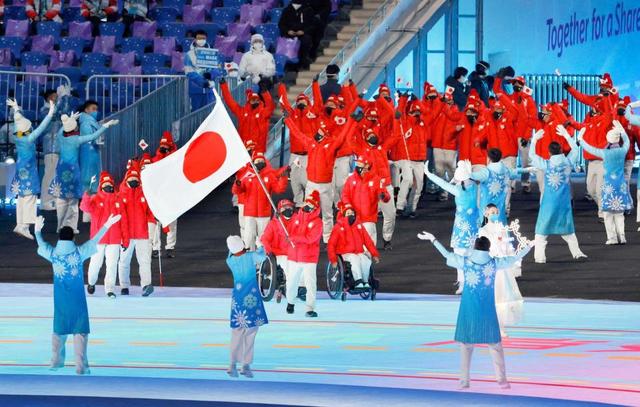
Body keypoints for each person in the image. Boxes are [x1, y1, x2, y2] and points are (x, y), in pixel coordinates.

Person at [417, 231, 533, 389]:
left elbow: (446, 254)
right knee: (495, 345)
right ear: (488, 249)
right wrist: (528, 247)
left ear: (475, 247)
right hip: (487, 310)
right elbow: (514, 259)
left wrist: (433, 239)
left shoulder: (465, 261)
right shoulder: (494, 263)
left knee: (466, 346)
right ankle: (502, 381)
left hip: (468, 309)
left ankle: (464, 381)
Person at [35, 213, 122, 375]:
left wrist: (37, 231)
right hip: (78, 301)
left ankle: (55, 363)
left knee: (59, 330)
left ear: (60, 238)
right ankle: (81, 367)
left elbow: (42, 245)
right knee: (80, 331)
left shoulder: (54, 255)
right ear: (73, 239)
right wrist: (107, 225)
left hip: (60, 300)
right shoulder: (79, 253)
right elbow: (95, 240)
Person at [50, 113, 118, 233]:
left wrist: (68, 121)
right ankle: (71, 226)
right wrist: (105, 126)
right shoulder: (76, 139)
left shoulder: (61, 138)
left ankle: (59, 226)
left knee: (61, 200)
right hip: (73, 171)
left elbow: (61, 131)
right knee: (73, 201)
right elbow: (93, 136)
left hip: (61, 170)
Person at [530, 127, 587, 263]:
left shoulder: (546, 164)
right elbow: (575, 149)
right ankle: (577, 253)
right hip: (563, 202)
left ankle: (540, 258)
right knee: (567, 229)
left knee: (541, 231)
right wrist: (567, 135)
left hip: (548, 203)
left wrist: (534, 140)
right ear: (561, 150)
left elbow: (532, 155)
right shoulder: (568, 162)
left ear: (549, 152)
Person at [285, 118, 346, 243]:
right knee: (307, 212)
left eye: (322, 132)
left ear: (326, 134)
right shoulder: (310, 143)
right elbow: (297, 133)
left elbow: (343, 136)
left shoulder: (332, 145)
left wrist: (352, 122)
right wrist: (287, 120)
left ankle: (327, 239)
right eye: (319, 131)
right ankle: (306, 234)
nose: (319, 133)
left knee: (327, 213)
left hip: (325, 186)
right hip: (311, 184)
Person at [424, 160, 479, 294]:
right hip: (475, 226)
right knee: (473, 256)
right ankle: (474, 281)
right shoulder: (476, 187)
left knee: (459, 257)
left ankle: (462, 283)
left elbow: (442, 183)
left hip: (461, 228)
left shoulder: (458, 190)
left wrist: (428, 174)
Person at [577, 121, 632, 244]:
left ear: (608, 139)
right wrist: (622, 131)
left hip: (609, 185)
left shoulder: (605, 153)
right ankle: (622, 236)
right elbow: (627, 142)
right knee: (619, 213)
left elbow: (590, 149)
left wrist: (580, 139)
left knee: (607, 214)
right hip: (621, 184)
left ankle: (612, 238)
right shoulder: (623, 150)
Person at [8, 99, 55, 239]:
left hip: (21, 169)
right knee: (29, 197)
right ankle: (24, 226)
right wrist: (51, 113)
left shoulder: (18, 135)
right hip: (28, 171)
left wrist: (16, 108)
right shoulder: (28, 139)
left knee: (22, 197)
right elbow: (42, 127)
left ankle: (20, 223)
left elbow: (18, 120)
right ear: (27, 128)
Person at [225, 235, 268, 378]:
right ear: (242, 245)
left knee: (236, 332)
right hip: (251, 299)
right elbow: (262, 256)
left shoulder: (230, 260)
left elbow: (232, 251)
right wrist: (260, 244)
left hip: (237, 301)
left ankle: (232, 364)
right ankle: (246, 365)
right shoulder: (251, 257)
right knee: (251, 331)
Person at [81, 171, 129, 298]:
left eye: (110, 184)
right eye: (105, 184)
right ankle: (91, 283)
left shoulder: (118, 200)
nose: (108, 186)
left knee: (112, 265)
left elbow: (124, 222)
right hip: (98, 240)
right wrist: (88, 192)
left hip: (114, 239)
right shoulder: (95, 199)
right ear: (101, 186)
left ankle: (110, 289)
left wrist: (125, 240)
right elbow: (84, 207)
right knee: (95, 264)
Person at [478, 204, 524, 338]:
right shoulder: (483, 231)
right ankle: (488, 325)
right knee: (492, 297)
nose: (494, 214)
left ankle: (500, 327)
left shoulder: (502, 228)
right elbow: (484, 250)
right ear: (486, 213)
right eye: (491, 212)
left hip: (503, 267)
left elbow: (508, 246)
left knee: (504, 298)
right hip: (491, 267)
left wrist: (514, 262)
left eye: (496, 212)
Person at [231, 152, 289, 250]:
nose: (260, 162)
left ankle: (262, 260)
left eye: (262, 161)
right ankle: (250, 258)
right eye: (258, 161)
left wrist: (283, 177)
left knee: (263, 238)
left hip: (264, 214)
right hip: (249, 214)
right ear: (253, 162)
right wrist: (237, 184)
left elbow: (279, 189)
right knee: (249, 238)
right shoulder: (247, 175)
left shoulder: (269, 176)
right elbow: (236, 191)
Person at [494, 72, 537, 193]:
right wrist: (499, 78)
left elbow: (532, 119)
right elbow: (497, 90)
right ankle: (511, 184)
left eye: (519, 83)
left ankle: (525, 182)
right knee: (510, 160)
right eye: (515, 83)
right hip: (511, 135)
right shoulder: (509, 98)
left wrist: (527, 135)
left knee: (526, 161)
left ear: (523, 85)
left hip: (523, 135)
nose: (516, 85)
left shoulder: (528, 100)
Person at [118, 161, 155, 297]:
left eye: (135, 178)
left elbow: (150, 212)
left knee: (144, 261)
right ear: (127, 179)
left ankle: (146, 285)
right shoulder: (121, 195)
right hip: (126, 235)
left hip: (142, 234)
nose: (134, 180)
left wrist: (154, 223)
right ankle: (124, 285)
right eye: (131, 178)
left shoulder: (144, 194)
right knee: (124, 261)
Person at [278, 84, 317, 207]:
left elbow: (319, 105)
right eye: (299, 101)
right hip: (295, 154)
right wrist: (282, 87)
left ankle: (309, 201)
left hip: (308, 154)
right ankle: (298, 201)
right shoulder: (292, 114)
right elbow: (283, 103)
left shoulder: (312, 115)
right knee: (294, 178)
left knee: (307, 179)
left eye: (303, 101)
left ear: (307, 102)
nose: (301, 103)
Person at [285, 191, 323, 318]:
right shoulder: (296, 217)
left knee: (310, 284)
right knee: (291, 282)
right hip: (294, 256)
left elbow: (311, 238)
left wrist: (295, 238)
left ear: (315, 207)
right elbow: (286, 230)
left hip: (309, 258)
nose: (307, 205)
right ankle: (290, 302)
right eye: (307, 202)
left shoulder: (318, 222)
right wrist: (278, 217)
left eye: (310, 204)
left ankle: (310, 308)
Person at [472, 148, 533, 224]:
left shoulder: (486, 172)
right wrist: (528, 169)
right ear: (500, 158)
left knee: (486, 229)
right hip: (500, 207)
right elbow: (516, 171)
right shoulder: (506, 171)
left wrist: (464, 170)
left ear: (488, 158)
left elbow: (471, 176)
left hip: (486, 207)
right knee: (500, 229)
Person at [327, 202, 380, 289]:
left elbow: (368, 241)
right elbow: (331, 244)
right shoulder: (338, 227)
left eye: (352, 213)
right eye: (348, 213)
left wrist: (374, 254)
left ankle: (365, 281)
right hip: (345, 253)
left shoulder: (359, 226)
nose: (350, 215)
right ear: (344, 215)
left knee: (365, 260)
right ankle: (358, 281)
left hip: (358, 252)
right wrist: (333, 259)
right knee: (354, 259)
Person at [341, 155, 390, 246]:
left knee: (368, 247)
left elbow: (386, 197)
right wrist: (348, 206)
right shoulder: (351, 179)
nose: (358, 166)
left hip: (368, 219)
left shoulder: (376, 180)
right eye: (357, 164)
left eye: (360, 164)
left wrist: (384, 196)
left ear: (367, 166)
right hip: (354, 219)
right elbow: (345, 194)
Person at [221, 77, 274, 154]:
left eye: (257, 100)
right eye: (253, 100)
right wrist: (223, 86)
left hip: (258, 150)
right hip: (243, 148)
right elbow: (230, 101)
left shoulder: (263, 113)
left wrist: (265, 93)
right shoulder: (242, 112)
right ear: (249, 101)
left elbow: (270, 106)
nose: (255, 101)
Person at [40, 86, 71, 212]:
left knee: (56, 175)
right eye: (54, 96)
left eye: (57, 96)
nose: (56, 98)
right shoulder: (45, 110)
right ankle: (45, 201)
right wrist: (62, 99)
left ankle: (53, 199)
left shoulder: (56, 109)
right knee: (49, 175)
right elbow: (54, 113)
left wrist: (66, 98)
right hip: (50, 147)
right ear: (48, 99)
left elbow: (65, 113)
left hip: (58, 147)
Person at [150, 131, 178, 258]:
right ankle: (155, 248)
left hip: (171, 194)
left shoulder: (175, 156)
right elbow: (155, 164)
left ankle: (170, 247)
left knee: (171, 222)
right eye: (163, 145)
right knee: (156, 223)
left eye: (167, 145)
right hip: (159, 194)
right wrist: (161, 154)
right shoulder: (157, 156)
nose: (164, 147)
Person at [260, 199, 295, 302]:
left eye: (290, 207)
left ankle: (297, 289)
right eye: (285, 208)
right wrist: (269, 251)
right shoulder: (273, 223)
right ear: (279, 210)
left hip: (292, 254)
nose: (288, 210)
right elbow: (265, 239)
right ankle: (290, 292)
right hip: (277, 254)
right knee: (289, 269)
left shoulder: (297, 222)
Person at [278, 0, 317, 69]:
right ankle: (289, 64)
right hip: (289, 35)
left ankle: (302, 61)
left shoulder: (308, 10)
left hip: (302, 35)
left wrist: (303, 31)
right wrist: (288, 31)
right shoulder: (287, 10)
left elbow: (311, 25)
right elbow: (281, 24)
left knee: (306, 40)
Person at [184, 30, 215, 111]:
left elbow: (217, 69)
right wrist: (202, 82)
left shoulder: (212, 53)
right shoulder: (189, 54)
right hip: (195, 90)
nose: (201, 40)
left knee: (210, 114)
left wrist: (211, 75)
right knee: (195, 115)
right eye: (199, 38)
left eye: (203, 38)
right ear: (195, 39)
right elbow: (189, 72)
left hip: (209, 90)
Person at [79, 100, 103, 196]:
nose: (95, 111)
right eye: (93, 109)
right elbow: (91, 137)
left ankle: (90, 197)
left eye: (96, 109)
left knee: (93, 173)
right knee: (88, 174)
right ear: (86, 110)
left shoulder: (92, 122)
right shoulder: (85, 123)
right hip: (88, 151)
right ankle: (86, 199)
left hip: (93, 151)